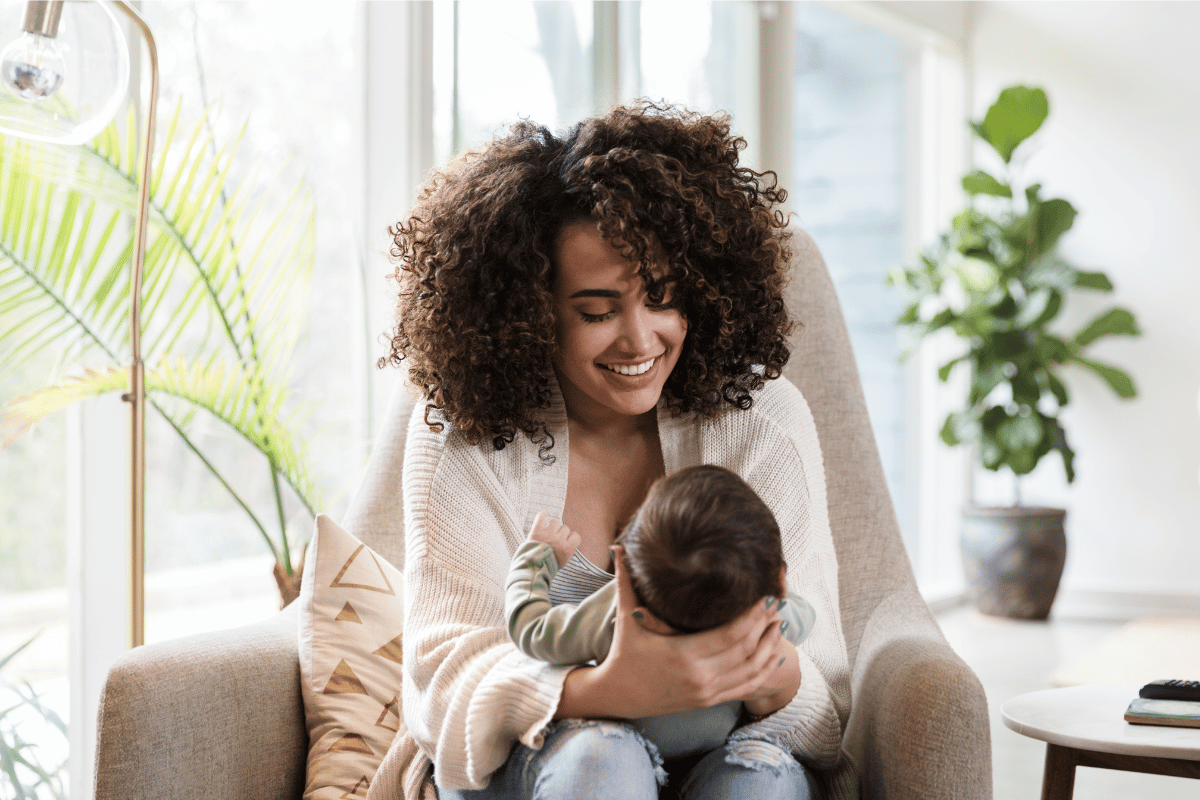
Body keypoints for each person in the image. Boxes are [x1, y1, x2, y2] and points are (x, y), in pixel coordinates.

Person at [379, 102, 855, 800]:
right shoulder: (464, 432)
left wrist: (760, 672)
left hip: (728, 748)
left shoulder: (761, 420)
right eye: (597, 312)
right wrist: (604, 690)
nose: (639, 340)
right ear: (530, 310)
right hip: (537, 761)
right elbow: (444, 684)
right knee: (602, 761)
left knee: (763, 785)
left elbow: (824, 708)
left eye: (662, 297)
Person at [505, 464, 819, 761]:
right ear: (778, 578)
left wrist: (537, 558)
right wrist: (767, 588)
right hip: (712, 757)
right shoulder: (758, 626)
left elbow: (531, 630)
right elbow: (806, 614)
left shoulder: (616, 617)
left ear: (626, 559)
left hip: (623, 755)